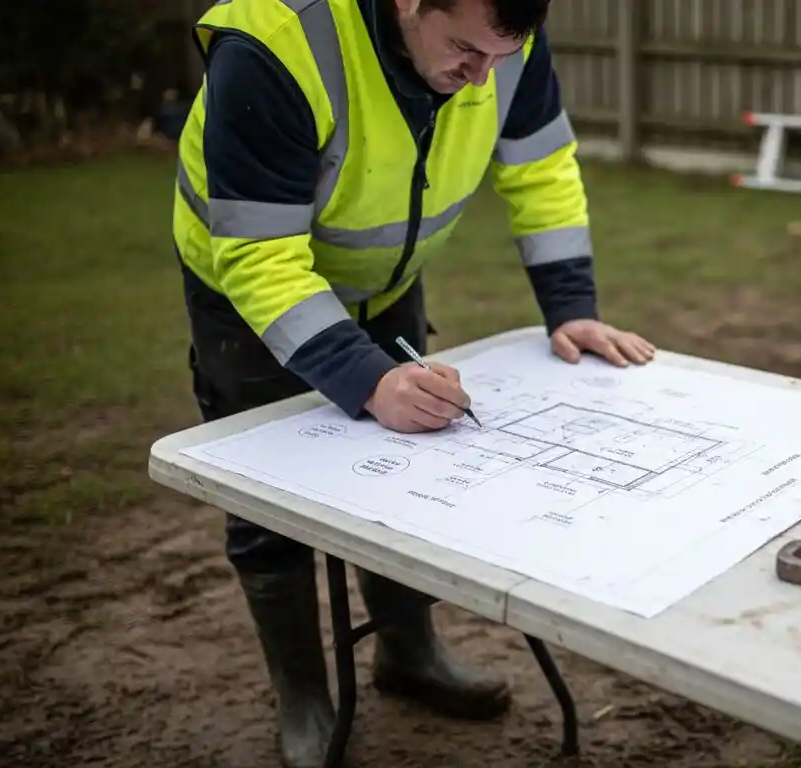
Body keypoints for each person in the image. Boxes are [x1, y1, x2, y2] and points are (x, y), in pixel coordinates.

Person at [170, 0, 655, 764]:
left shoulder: (503, 40)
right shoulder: (274, 42)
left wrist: (571, 308)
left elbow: (541, 165)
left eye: (499, 57)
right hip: (247, 288)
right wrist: (365, 378)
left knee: (408, 464)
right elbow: (259, 253)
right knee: (266, 489)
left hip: (385, 278)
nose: (480, 80)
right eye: (464, 50)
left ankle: (406, 650)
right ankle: (302, 693)